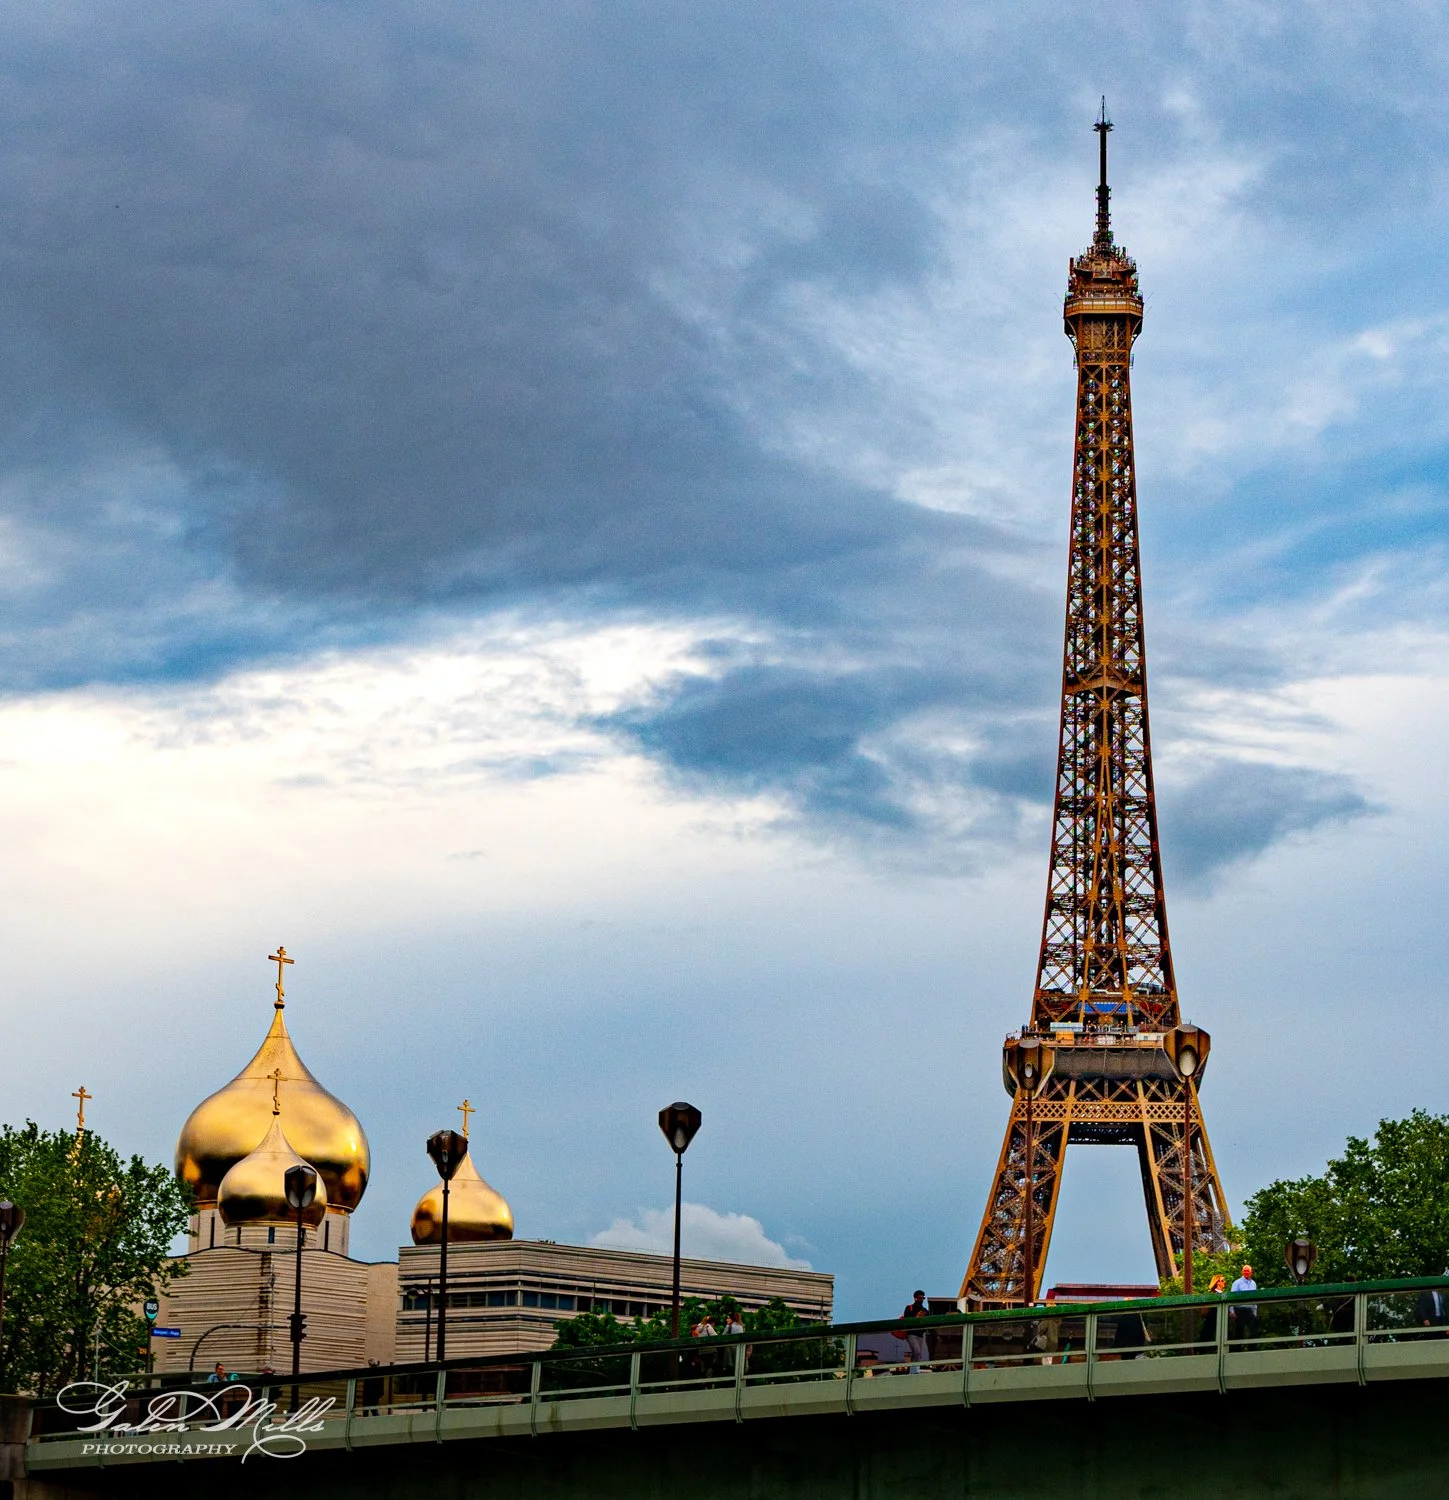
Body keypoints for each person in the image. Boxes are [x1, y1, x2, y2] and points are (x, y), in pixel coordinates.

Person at [899, 1290, 930, 1373]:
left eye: (923, 1298)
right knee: (917, 1351)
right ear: (915, 1298)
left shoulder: (925, 1310)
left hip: (920, 1334)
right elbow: (907, 1319)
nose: (922, 1300)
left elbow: (929, 1319)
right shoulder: (909, 1308)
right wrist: (916, 1317)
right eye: (920, 1298)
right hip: (911, 1333)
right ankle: (914, 1371)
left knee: (917, 1353)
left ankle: (914, 1370)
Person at [1230, 1264, 1259, 1346]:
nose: (1246, 1272)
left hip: (1249, 1311)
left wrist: (1255, 1313)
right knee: (1239, 1332)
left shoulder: (1253, 1283)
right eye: (1245, 1271)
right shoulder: (1237, 1283)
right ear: (1242, 1272)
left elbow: (1255, 1299)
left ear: (1251, 1272)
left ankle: (1252, 1349)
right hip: (1239, 1310)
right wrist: (1232, 1311)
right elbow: (1231, 1298)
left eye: (1248, 1271)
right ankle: (1237, 1352)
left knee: (1254, 1330)